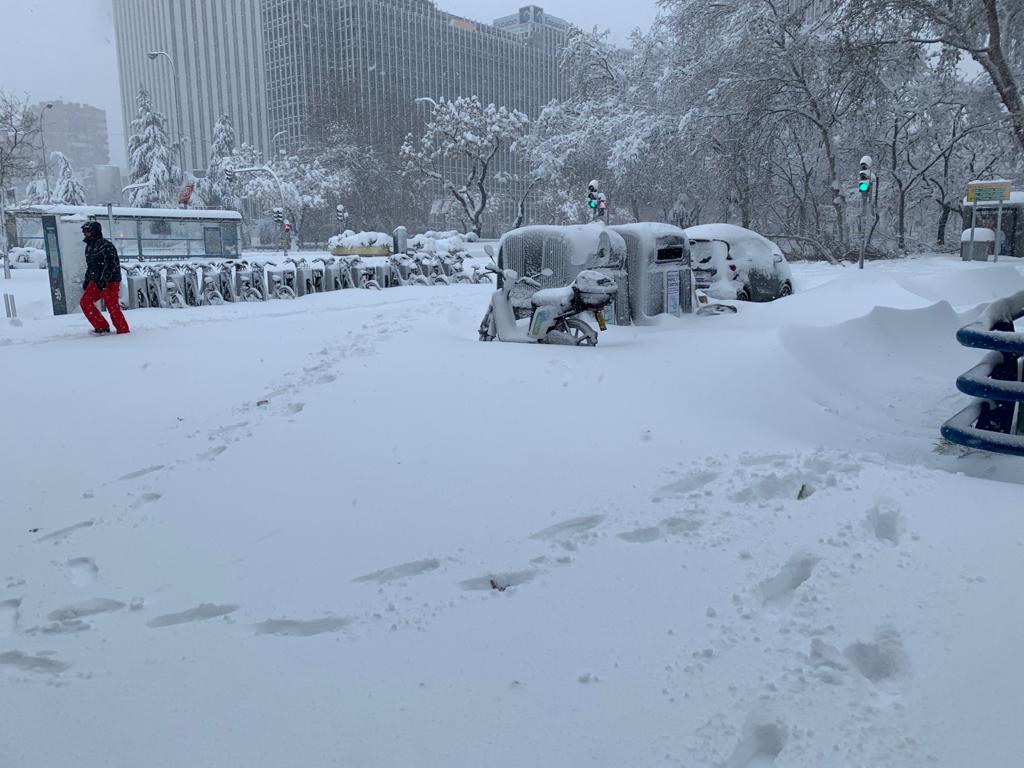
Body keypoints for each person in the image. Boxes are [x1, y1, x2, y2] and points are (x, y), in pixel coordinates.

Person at [79, 221, 129, 335]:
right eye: (84, 232)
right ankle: (101, 327)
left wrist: (104, 279)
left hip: (110, 282)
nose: (85, 234)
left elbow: (110, 265)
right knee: (85, 302)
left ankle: (123, 331)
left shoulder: (106, 246)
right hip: (96, 281)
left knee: (112, 306)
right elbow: (91, 266)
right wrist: (87, 280)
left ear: (94, 232)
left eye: (87, 232)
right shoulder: (89, 247)